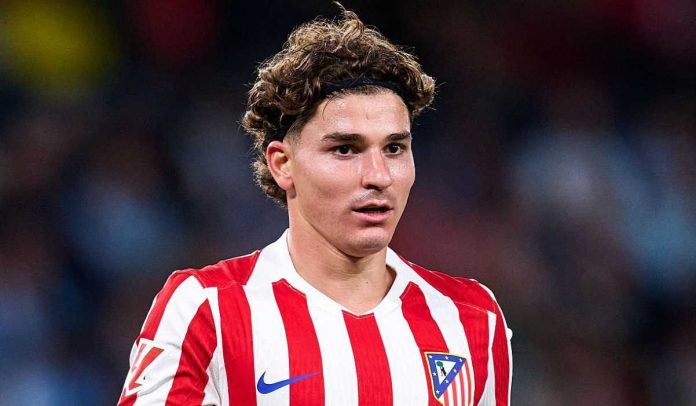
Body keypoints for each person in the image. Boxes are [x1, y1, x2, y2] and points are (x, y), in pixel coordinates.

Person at [118, 8, 512, 406]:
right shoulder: (208, 309)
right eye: (345, 149)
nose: (378, 175)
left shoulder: (472, 318)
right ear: (282, 164)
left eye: (394, 148)